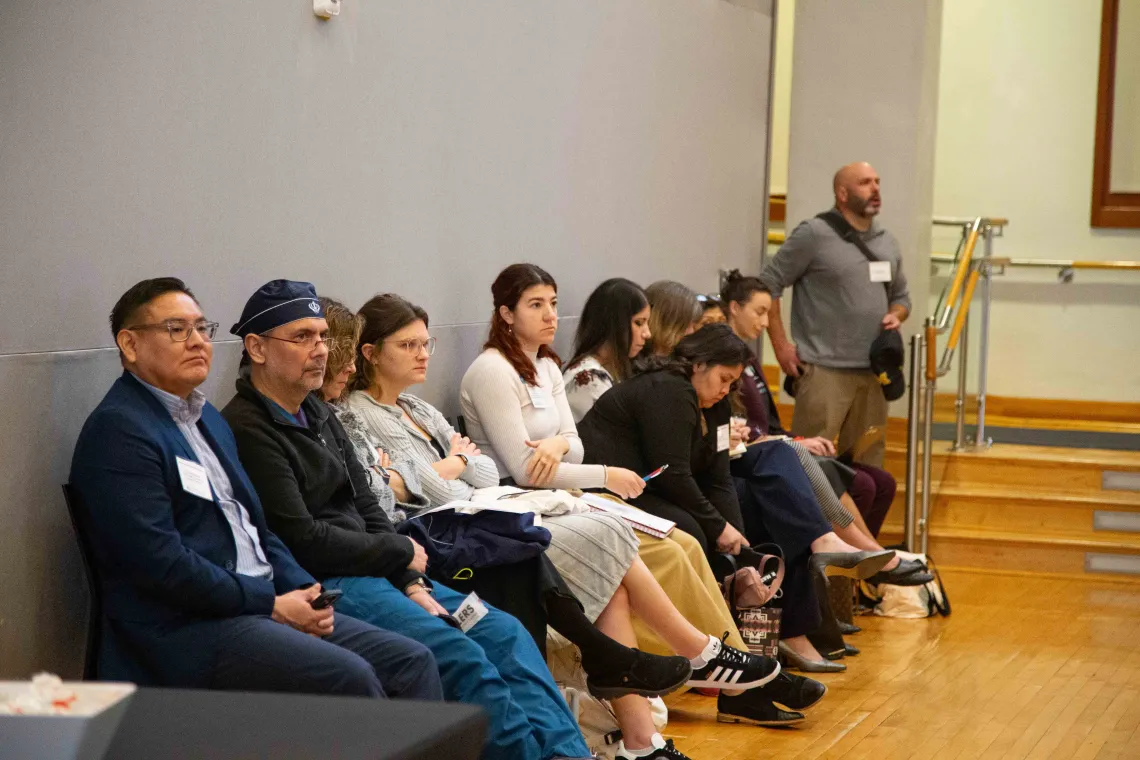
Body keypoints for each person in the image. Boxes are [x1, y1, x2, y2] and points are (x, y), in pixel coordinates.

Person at [220, 280, 597, 760]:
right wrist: (398, 552)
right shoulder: (247, 429)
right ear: (256, 348)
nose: (320, 350)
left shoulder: (316, 412)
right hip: (333, 580)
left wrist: (412, 581)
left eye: (322, 336)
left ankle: (570, 756)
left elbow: (369, 504)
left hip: (385, 570)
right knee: (461, 656)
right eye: (303, 337)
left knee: (504, 633)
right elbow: (302, 538)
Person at [318, 295, 701, 754]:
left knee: (666, 541)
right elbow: (393, 493)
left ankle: (636, 712)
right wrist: (451, 465)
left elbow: (480, 469)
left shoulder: (418, 408)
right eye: (408, 345)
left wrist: (447, 467)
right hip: (435, 530)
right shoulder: (356, 413)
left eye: (426, 343)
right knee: (581, 541)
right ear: (369, 353)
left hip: (480, 509)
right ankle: (676, 664)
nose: (423, 354)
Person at [460, 265, 809, 737]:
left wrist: (558, 447)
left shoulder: (546, 365)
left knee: (683, 542)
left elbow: (573, 444)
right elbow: (524, 471)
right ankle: (722, 670)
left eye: (554, 304)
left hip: (566, 489)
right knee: (670, 545)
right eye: (535, 305)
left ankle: (726, 664)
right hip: (522, 500)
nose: (550, 316)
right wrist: (600, 471)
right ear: (505, 314)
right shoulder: (490, 370)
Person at [69, 278, 441, 700]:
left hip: (258, 600)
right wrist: (267, 602)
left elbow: (255, 527)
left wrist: (308, 592)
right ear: (130, 344)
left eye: (201, 328)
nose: (196, 342)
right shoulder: (121, 430)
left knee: (411, 660)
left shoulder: (205, 417)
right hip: (187, 626)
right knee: (348, 676)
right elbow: (160, 564)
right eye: (177, 330)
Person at [578, 324, 894, 675]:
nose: (726, 389)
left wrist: (739, 545)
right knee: (696, 530)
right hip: (611, 492)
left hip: (653, 488)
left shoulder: (714, 402)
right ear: (698, 364)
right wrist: (719, 528)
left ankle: (804, 592)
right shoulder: (668, 389)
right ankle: (714, 650)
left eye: (733, 383)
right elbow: (672, 475)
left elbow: (718, 477)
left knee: (771, 491)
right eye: (723, 379)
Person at [720, 271, 931, 589]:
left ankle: (860, 567)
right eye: (760, 312)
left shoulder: (745, 357)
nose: (765, 322)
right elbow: (744, 427)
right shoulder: (725, 363)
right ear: (734, 308)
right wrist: (787, 440)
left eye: (767, 313)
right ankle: (866, 560)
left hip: (764, 445)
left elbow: (765, 425)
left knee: (880, 480)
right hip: (749, 454)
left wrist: (796, 438)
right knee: (849, 480)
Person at [760, 161, 911, 468]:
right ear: (842, 193)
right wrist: (780, 346)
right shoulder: (814, 234)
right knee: (812, 466)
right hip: (824, 373)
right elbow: (768, 284)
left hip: (874, 373)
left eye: (877, 181)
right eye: (865, 182)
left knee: (868, 465)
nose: (875, 188)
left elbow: (901, 297)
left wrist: (897, 314)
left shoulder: (886, 240)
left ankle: (857, 519)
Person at [563, 277, 652, 424]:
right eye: (638, 323)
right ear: (614, 324)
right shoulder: (590, 378)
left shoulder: (617, 369)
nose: (647, 333)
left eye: (647, 323)